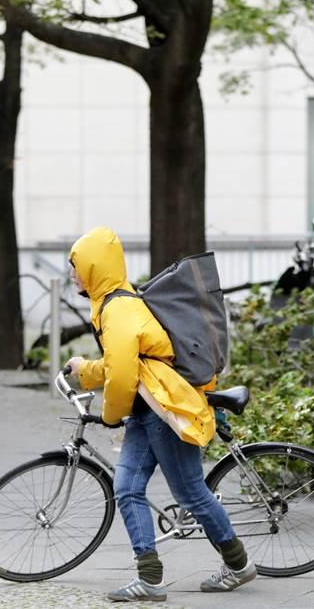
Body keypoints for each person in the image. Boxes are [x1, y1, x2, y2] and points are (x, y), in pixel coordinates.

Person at [64, 226, 255, 603]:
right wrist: (84, 369)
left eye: (75, 267)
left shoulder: (118, 308)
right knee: (127, 488)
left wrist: (110, 415)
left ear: (92, 268)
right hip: (146, 409)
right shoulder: (113, 304)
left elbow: (122, 374)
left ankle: (238, 565)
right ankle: (150, 579)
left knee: (190, 492)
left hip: (161, 410)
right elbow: (125, 363)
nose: (71, 274)